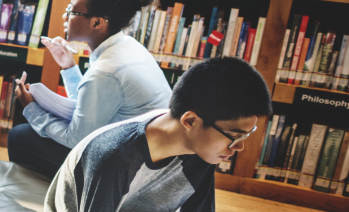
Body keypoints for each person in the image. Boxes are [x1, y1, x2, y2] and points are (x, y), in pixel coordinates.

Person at [45, 57, 271, 212]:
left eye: (246, 135)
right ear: (190, 121)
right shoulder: (116, 156)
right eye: (235, 136)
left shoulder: (203, 148)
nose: (239, 147)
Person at [10, 0, 172, 177]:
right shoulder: (128, 46)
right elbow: (89, 107)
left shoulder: (106, 71)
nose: (64, 16)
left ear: (97, 22)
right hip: (145, 158)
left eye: (71, 10)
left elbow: (76, 140)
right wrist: (68, 66)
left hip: (125, 172)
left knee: (19, 136)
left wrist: (31, 109)